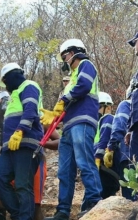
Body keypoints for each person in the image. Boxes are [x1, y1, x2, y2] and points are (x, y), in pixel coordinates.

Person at [40, 39, 102, 220]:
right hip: (69, 127)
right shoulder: (73, 75)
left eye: (65, 55)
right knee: (65, 171)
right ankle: (63, 211)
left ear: (74, 51)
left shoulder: (86, 65)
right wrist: (55, 113)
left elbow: (83, 86)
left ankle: (93, 200)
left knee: (84, 161)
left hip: (83, 121)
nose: (64, 60)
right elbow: (70, 97)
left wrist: (63, 99)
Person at [0, 62, 44, 220]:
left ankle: (23, 218)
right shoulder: (13, 98)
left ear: (13, 76)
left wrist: (20, 131)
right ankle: (18, 215)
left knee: (23, 185)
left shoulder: (29, 86)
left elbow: (30, 111)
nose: (6, 85)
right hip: (10, 148)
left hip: (26, 145)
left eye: (6, 81)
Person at [0, 127, 60, 220]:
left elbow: (59, 140)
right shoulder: (13, 117)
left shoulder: (41, 117)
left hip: (34, 161)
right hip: (11, 161)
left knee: (34, 207)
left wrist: (42, 143)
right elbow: (5, 145)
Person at [104, 84, 137, 201]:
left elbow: (119, 128)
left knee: (130, 196)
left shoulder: (126, 104)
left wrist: (110, 148)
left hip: (128, 155)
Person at [93, 92, 119, 200]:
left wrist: (98, 157)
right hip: (106, 168)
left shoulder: (107, 118)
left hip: (105, 167)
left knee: (102, 195)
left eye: (98, 107)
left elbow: (104, 139)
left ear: (108, 108)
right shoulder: (98, 123)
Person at [126, 32, 138, 162]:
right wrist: (129, 129)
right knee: (135, 164)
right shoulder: (136, 77)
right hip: (136, 126)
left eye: (135, 42)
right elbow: (133, 104)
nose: (134, 46)